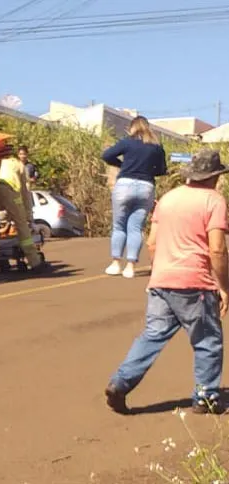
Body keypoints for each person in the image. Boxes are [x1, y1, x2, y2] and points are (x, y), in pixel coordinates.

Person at [105, 149, 229, 415]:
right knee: (208, 340)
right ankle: (206, 397)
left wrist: (160, 271)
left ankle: (121, 382)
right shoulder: (214, 201)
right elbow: (217, 249)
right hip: (195, 282)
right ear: (214, 177)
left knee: (152, 336)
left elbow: (152, 243)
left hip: (162, 281)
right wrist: (223, 286)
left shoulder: (169, 199)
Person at [101, 116, 167, 279]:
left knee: (119, 226)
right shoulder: (156, 146)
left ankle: (116, 263)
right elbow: (162, 170)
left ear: (132, 128)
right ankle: (131, 266)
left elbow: (107, 155)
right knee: (135, 227)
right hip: (146, 187)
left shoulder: (127, 142)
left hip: (125, 184)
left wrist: (122, 165)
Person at [0, 145, 49, 273]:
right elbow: (25, 193)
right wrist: (29, 218)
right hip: (10, 191)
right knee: (22, 226)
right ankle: (35, 262)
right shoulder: (19, 165)